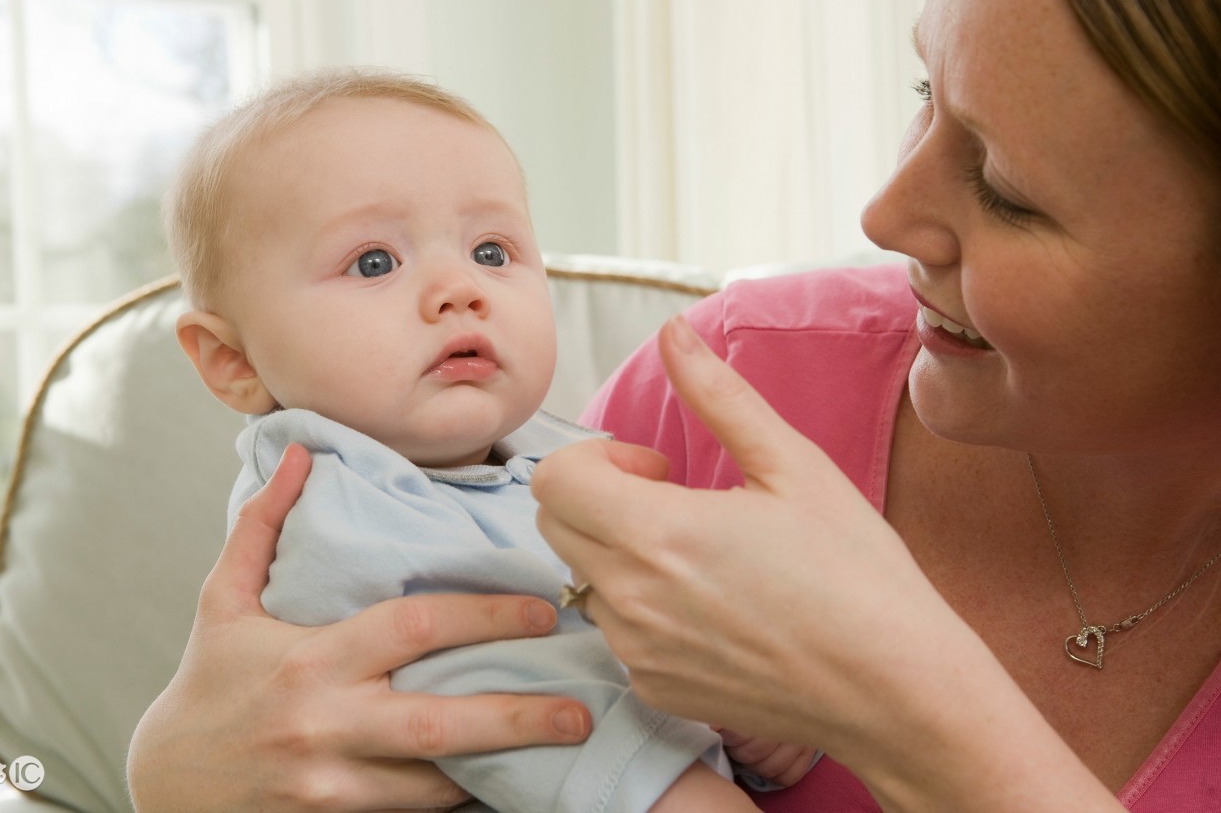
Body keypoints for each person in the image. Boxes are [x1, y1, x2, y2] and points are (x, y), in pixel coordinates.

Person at [127, 0, 1221, 810]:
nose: (880, 216)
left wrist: (902, 700)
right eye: (921, 90)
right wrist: (174, 773)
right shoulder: (718, 391)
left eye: (1006, 187)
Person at [162, 68, 803, 811]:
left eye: (492, 252)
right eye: (374, 261)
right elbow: (484, 690)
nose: (460, 288)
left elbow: (642, 636)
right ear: (233, 361)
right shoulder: (327, 501)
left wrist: (741, 702)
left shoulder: (547, 460)